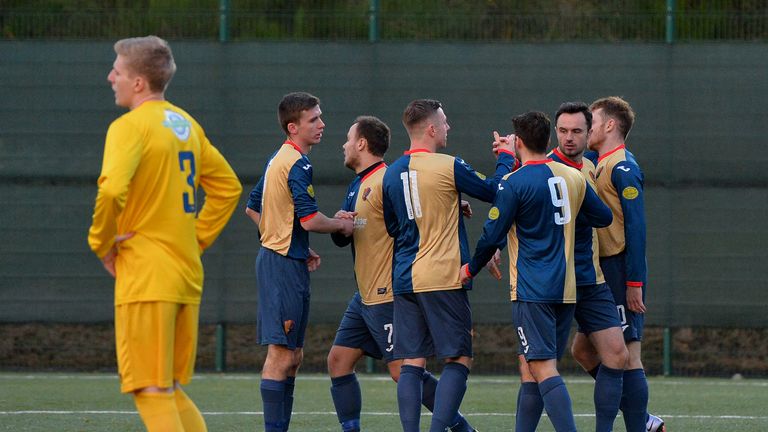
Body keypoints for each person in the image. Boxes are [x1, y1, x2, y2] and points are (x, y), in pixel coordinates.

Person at [88, 36, 242, 432]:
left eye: (117, 71)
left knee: (151, 389)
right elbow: (227, 187)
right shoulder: (185, 124)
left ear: (138, 82)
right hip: (185, 273)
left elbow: (110, 190)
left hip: (146, 275)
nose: (111, 77)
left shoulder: (129, 127)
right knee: (168, 388)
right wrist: (197, 238)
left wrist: (102, 244)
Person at [460, 111, 613, 432]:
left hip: (532, 291)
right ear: (549, 138)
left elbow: (491, 235)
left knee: (541, 367)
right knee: (534, 370)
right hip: (567, 289)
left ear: (519, 142)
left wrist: (470, 269)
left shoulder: (515, 182)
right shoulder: (573, 177)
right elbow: (602, 217)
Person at [327, 116, 477, 432]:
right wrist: (340, 225)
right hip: (364, 296)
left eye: (348, 138)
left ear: (362, 143)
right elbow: (346, 235)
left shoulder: (386, 179)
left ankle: (460, 428)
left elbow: (417, 215)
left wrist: (455, 203)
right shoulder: (358, 183)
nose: (343, 144)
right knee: (338, 361)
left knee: (402, 370)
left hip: (387, 293)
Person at [382, 99, 515, 432]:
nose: (448, 127)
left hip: (405, 277)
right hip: (443, 276)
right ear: (430, 129)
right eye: (444, 122)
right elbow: (494, 190)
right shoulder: (447, 165)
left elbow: (394, 227)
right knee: (458, 359)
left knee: (411, 362)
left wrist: (452, 206)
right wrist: (506, 157)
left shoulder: (392, 172)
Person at [245, 92, 354, 432]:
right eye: (313, 120)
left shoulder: (282, 158)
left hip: (286, 259)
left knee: (293, 357)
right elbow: (309, 221)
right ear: (293, 127)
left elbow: (253, 208)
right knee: (281, 356)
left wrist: (291, 242)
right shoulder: (296, 163)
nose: (322, 124)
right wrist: (340, 223)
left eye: (320, 117)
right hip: (280, 266)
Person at [573, 96, 665, 432]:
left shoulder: (624, 167)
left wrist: (634, 283)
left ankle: (639, 424)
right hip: (600, 271)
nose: (587, 128)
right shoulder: (599, 161)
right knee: (582, 350)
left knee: (628, 356)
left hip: (620, 269)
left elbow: (637, 227)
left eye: (593, 122)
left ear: (610, 125)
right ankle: (639, 414)